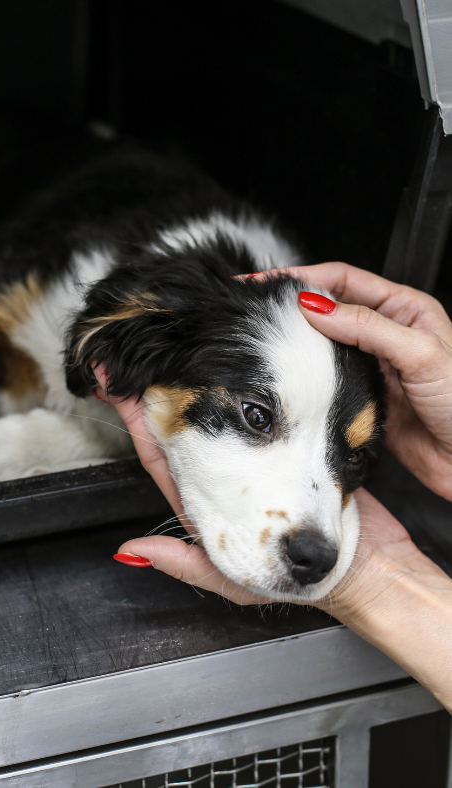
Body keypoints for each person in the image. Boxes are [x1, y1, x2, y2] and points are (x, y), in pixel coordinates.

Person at [93, 262, 452, 714]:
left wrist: (384, 588)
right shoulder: (169, 320)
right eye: (258, 417)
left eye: (353, 456)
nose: (321, 542)